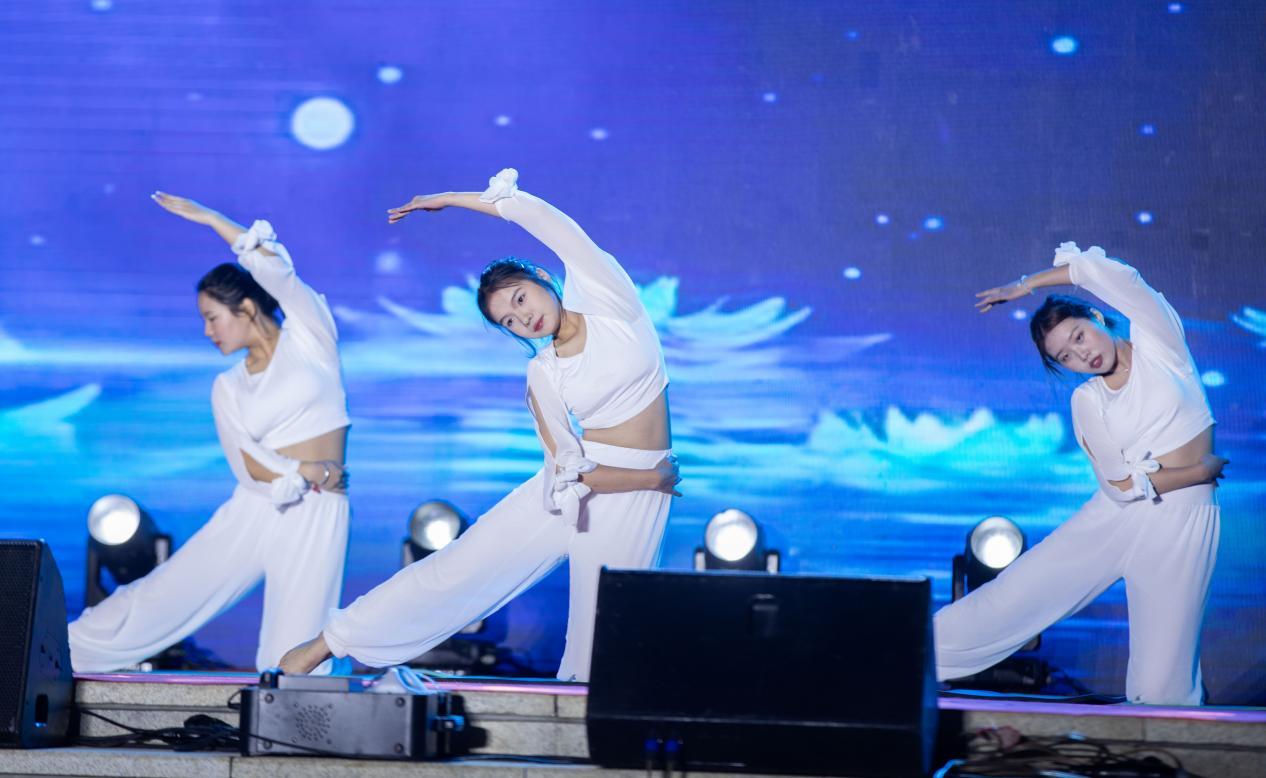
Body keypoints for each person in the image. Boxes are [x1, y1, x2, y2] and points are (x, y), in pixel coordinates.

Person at [279, 168, 680, 681]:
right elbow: (569, 471)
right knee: (462, 566)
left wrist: (447, 198)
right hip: (603, 481)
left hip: (634, 495)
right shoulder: (544, 373)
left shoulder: (610, 301)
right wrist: (653, 477)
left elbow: (543, 220)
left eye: (520, 299)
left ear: (544, 280)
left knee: (602, 632)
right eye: (508, 321)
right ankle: (329, 642)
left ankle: (578, 722)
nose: (523, 319)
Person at [69, 193, 351, 674]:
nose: (207, 331)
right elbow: (246, 464)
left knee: (293, 648)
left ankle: (287, 716)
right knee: (165, 594)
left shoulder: (310, 337)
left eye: (211, 318)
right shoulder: (228, 386)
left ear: (246, 308)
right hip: (258, 503)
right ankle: (56, 649)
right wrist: (305, 469)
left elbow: (278, 273)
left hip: (318, 509)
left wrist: (212, 219)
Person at [935, 241, 1228, 705]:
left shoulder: (1160, 343)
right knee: (1009, 598)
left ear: (1095, 317)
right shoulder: (1087, 400)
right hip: (1114, 517)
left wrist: (1025, 286)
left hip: (1181, 524)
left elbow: (1110, 274)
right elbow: (1121, 488)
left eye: (1078, 337)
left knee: (1161, 688)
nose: (1080, 354)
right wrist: (1198, 471)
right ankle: (893, 655)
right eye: (1065, 357)